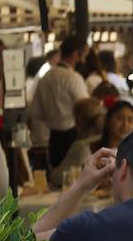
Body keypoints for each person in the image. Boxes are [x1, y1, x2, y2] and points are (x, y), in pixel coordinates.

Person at [29, 37, 90, 168]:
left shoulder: (46, 77)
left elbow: (35, 112)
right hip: (71, 137)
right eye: (83, 56)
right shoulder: (73, 78)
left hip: (52, 138)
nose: (84, 61)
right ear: (75, 55)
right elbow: (86, 109)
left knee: (57, 177)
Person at [49, 98, 106, 188]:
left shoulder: (81, 146)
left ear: (79, 119)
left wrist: (53, 173)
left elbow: (58, 178)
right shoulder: (105, 141)